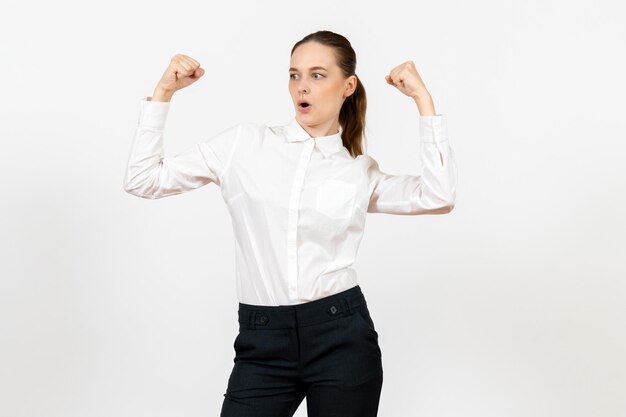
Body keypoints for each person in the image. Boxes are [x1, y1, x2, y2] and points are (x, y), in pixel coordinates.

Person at [123, 30, 458, 417]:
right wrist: (164, 92)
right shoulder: (243, 146)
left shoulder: (357, 172)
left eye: (317, 75)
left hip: (341, 338)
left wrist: (423, 101)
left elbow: (439, 196)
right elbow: (142, 179)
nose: (303, 86)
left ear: (348, 86)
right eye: (294, 75)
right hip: (262, 341)